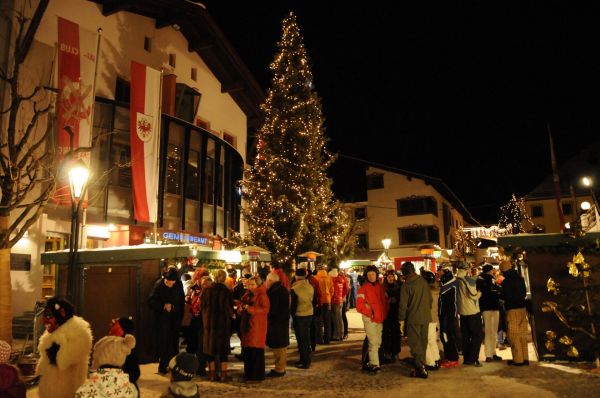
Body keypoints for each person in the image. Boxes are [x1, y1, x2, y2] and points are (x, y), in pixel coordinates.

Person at [36, 297, 93, 398]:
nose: (44, 321)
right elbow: (46, 360)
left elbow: (64, 360)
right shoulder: (52, 333)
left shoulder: (79, 332)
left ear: (62, 314)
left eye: (49, 316)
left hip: (67, 390)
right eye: (45, 316)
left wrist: (56, 352)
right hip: (48, 389)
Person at [148, 267, 185, 375]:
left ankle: (174, 365)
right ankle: (162, 365)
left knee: (174, 343)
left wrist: (174, 307)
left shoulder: (178, 285)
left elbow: (181, 302)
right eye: (167, 282)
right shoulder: (159, 285)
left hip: (174, 319)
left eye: (171, 283)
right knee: (163, 343)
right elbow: (151, 301)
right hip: (161, 320)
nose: (169, 285)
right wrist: (163, 306)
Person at [398, 262, 432, 379]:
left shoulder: (406, 285)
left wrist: (401, 319)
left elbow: (403, 305)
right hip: (426, 316)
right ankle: (422, 364)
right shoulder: (423, 281)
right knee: (423, 341)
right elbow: (430, 299)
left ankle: (420, 368)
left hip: (413, 318)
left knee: (415, 343)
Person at [201, 269, 234, 381]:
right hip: (223, 324)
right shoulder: (227, 292)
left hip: (209, 324)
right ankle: (224, 375)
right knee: (223, 350)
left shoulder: (206, 291)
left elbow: (202, 306)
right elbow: (229, 309)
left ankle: (212, 374)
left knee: (211, 349)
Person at [356, 265, 389, 375]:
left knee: (378, 342)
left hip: (380, 318)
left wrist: (384, 313)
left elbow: (385, 302)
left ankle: (375, 362)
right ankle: (374, 364)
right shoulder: (363, 289)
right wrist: (371, 313)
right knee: (373, 342)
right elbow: (359, 306)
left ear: (376, 275)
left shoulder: (381, 287)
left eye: (373, 274)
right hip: (370, 319)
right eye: (369, 274)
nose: (371, 276)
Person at [239, 276, 270, 382]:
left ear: (258, 284)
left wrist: (250, 309)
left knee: (255, 351)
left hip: (257, 326)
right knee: (248, 351)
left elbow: (265, 310)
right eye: (249, 284)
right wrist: (240, 307)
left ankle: (256, 375)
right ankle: (249, 374)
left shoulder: (262, 295)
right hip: (247, 325)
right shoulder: (248, 294)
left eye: (252, 284)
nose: (250, 286)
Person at [500, 260, 530, 366]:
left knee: (514, 335)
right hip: (522, 308)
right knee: (522, 334)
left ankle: (518, 360)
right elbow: (523, 293)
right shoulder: (520, 279)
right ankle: (525, 358)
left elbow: (507, 296)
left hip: (512, 310)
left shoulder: (506, 282)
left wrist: (500, 295)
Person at [456, 263, 483, 367]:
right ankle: (472, 358)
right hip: (472, 312)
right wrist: (480, 293)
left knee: (466, 336)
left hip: (462, 312)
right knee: (477, 336)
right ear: (467, 269)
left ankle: (466, 358)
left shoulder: (457, 280)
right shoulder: (467, 279)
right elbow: (473, 295)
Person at [290, 268, 316, 369]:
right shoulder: (310, 286)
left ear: (296, 276)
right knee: (306, 338)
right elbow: (314, 300)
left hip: (299, 315)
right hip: (309, 314)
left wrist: (292, 314)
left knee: (301, 340)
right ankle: (304, 359)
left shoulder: (294, 288)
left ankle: (305, 362)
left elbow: (293, 305)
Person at [265, 272, 290, 377]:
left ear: (270, 281)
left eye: (267, 280)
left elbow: (272, 309)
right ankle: (280, 367)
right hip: (282, 321)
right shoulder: (282, 289)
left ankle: (280, 369)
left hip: (277, 322)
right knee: (281, 345)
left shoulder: (274, 292)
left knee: (279, 346)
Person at [477, 264, 503, 362]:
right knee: (491, 331)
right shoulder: (486, 279)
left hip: (487, 307)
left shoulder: (482, 279)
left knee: (490, 331)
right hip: (491, 306)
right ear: (490, 270)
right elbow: (498, 291)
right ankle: (490, 354)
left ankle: (491, 353)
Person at [108, 317, 140, 390]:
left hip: (125, 381)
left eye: (116, 325)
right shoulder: (114, 342)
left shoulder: (127, 346)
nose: (112, 327)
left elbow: (134, 372)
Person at [438, 268, 461, 369]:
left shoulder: (450, 287)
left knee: (447, 336)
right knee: (445, 336)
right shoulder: (452, 285)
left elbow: (450, 304)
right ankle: (450, 357)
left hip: (448, 315)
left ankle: (453, 358)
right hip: (447, 315)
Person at [422, 270, 441, 371]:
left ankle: (430, 362)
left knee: (425, 341)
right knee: (432, 340)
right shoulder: (436, 291)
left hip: (426, 318)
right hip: (434, 318)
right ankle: (436, 359)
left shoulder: (426, 292)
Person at [381, 269, 401, 363]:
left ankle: (395, 352)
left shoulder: (399, 287)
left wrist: (395, 299)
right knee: (385, 333)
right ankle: (387, 351)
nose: (390, 278)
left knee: (396, 333)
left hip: (395, 313)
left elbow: (401, 298)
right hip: (385, 313)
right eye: (389, 277)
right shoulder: (382, 288)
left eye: (392, 276)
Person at [315, 266, 333, 344]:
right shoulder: (329, 278)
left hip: (319, 301)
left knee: (319, 321)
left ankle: (319, 339)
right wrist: (329, 297)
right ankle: (327, 339)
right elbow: (332, 290)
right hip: (327, 300)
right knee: (327, 321)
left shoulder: (316, 278)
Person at [329, 267, 349, 341]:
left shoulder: (332, 280)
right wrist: (342, 296)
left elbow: (331, 291)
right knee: (339, 318)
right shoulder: (342, 279)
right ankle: (341, 333)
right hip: (340, 300)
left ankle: (336, 335)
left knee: (335, 318)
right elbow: (346, 289)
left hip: (333, 300)